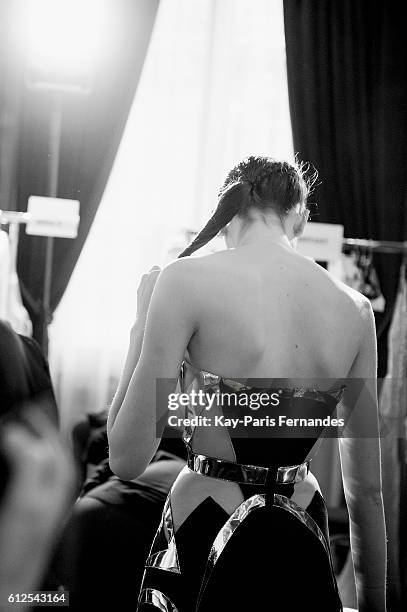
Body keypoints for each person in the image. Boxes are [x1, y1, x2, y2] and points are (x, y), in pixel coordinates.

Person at [108, 156, 387, 611]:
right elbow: (366, 494)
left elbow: (126, 457)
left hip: (204, 523)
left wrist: (140, 330)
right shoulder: (354, 310)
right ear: (299, 215)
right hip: (303, 536)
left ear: (227, 216)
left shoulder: (184, 281)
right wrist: (375, 606)